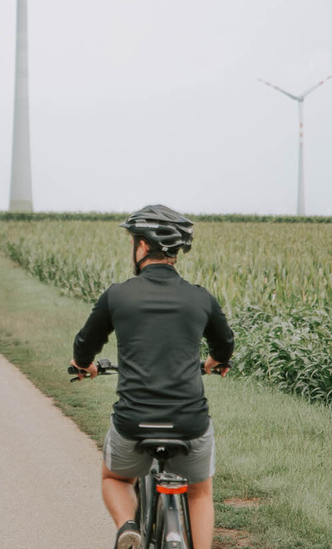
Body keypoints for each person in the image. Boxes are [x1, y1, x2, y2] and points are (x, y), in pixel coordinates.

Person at [69, 205, 233, 549]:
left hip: (134, 421)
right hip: (189, 421)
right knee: (200, 493)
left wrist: (85, 366)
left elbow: (84, 346)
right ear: (175, 250)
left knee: (114, 478)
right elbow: (225, 345)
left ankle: (129, 525)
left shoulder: (118, 295)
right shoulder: (200, 298)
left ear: (143, 246)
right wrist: (214, 362)